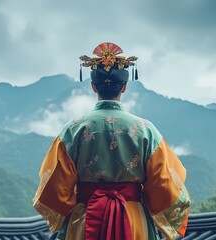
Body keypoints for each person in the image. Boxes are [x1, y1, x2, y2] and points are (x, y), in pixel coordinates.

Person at [33, 42, 191, 240]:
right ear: (124, 87)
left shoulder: (73, 130)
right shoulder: (146, 130)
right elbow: (164, 185)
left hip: (85, 218)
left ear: (93, 86)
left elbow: (54, 189)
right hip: (133, 221)